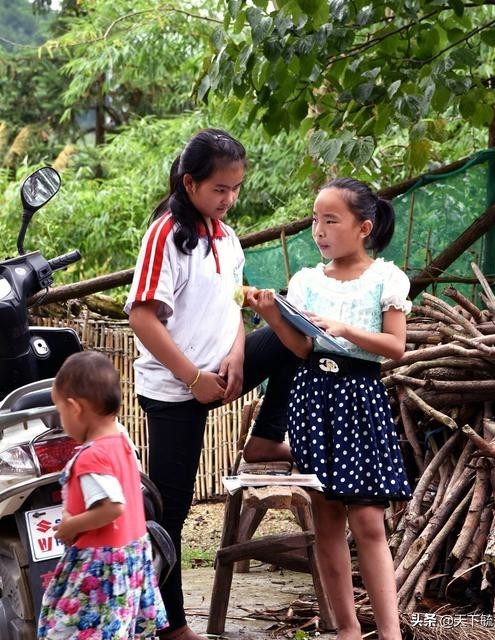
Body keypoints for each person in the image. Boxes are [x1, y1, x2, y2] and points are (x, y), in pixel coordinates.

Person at [124, 128, 299, 640]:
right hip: (177, 390)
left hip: (223, 373)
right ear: (190, 182)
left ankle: (267, 437)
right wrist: (194, 377)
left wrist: (240, 352)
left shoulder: (226, 237)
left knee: (296, 334)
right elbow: (142, 318)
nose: (230, 198)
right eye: (220, 189)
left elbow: (234, 305)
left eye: (236, 188)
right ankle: (172, 627)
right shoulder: (165, 234)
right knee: (170, 514)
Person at [247, 177, 412, 640]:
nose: (319, 230)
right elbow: (300, 350)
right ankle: (346, 631)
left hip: (360, 400)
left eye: (330, 220)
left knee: (367, 521)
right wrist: (275, 315)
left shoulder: (386, 279)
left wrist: (343, 329)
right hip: (312, 399)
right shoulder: (305, 281)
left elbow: (395, 347)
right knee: (326, 523)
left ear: (363, 227)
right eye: (316, 220)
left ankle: (390, 632)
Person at [37, 351, 167, 640]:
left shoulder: (92, 457)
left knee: (74, 631)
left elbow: (111, 507)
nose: (61, 419)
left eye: (60, 411)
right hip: (129, 557)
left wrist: (72, 525)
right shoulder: (120, 440)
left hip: (101, 566)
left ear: (75, 408)